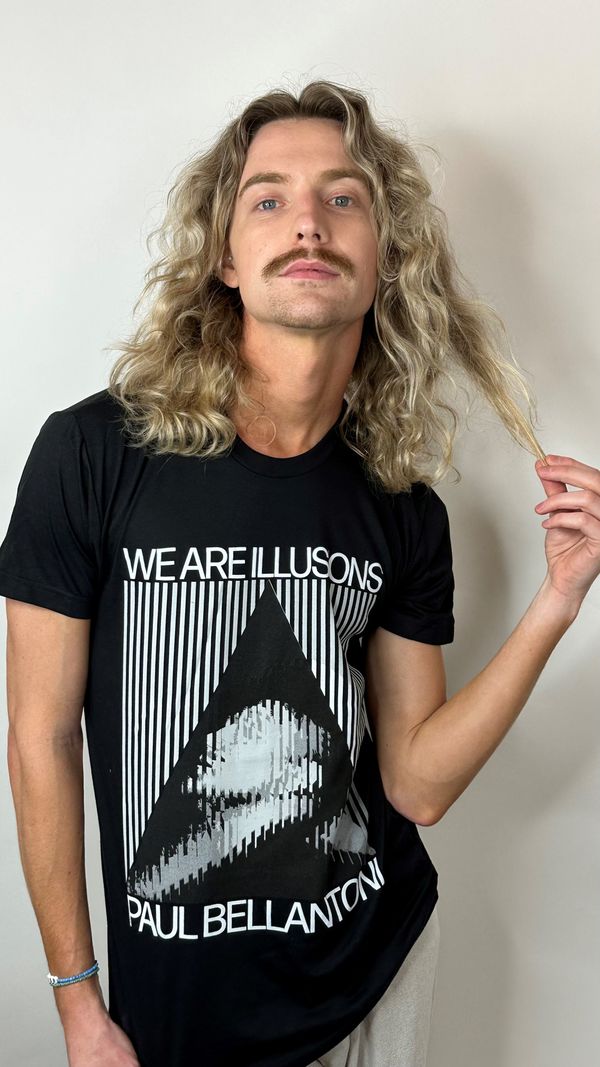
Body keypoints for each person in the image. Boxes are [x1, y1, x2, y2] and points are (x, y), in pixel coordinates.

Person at [1, 78, 598, 1067]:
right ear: (226, 258)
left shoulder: (401, 505)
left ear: (384, 257)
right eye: (269, 197)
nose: (308, 222)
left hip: (369, 978)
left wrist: (558, 600)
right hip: (169, 1011)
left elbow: (418, 785)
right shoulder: (92, 453)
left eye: (343, 197)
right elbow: (40, 735)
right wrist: (77, 999)